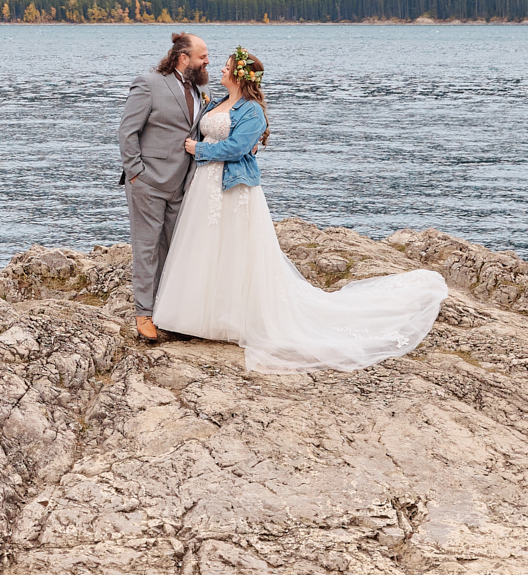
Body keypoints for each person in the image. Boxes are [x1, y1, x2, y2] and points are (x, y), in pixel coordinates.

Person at [151, 46, 447, 372]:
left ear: (240, 75)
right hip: (205, 187)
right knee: (204, 246)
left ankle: (229, 320)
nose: (220, 70)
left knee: (234, 250)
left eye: (227, 66)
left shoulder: (252, 112)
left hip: (234, 188)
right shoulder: (218, 102)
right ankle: (192, 314)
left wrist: (200, 149)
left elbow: (236, 148)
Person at [118, 31, 211, 345]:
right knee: (146, 250)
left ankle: (168, 312)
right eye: (202, 56)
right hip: (148, 183)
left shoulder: (200, 91)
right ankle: (143, 314)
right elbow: (127, 131)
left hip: (181, 185)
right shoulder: (148, 83)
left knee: (172, 251)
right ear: (184, 58)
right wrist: (136, 174)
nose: (207, 61)